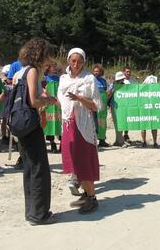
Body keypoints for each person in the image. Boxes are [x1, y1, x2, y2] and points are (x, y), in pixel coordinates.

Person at [18, 38, 57, 225]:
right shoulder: (33, 71)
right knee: (39, 169)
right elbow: (33, 101)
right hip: (30, 124)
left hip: (21, 125)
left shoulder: (22, 71)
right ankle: (39, 214)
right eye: (47, 53)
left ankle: (31, 212)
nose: (49, 57)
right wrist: (48, 101)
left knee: (29, 168)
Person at [58, 47, 102, 214]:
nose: (76, 64)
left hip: (83, 125)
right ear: (68, 60)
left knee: (84, 161)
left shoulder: (89, 79)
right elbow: (62, 103)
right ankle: (85, 194)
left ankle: (92, 198)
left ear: (84, 62)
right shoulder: (63, 79)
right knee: (75, 162)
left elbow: (97, 106)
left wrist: (80, 98)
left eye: (80, 61)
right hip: (69, 124)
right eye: (73, 60)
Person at [43, 61, 61, 153]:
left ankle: (62, 143)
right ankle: (52, 143)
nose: (54, 68)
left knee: (59, 123)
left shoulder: (59, 78)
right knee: (49, 123)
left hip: (58, 103)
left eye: (55, 66)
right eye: (52, 66)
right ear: (48, 68)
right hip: (48, 104)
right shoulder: (44, 79)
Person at [108, 71, 127, 147]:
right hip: (114, 106)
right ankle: (118, 141)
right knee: (116, 124)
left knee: (121, 123)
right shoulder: (112, 85)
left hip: (122, 107)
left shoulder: (125, 86)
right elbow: (108, 96)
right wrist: (112, 91)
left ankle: (120, 141)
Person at [92, 64, 109, 147]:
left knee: (102, 120)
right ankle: (94, 140)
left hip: (103, 100)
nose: (95, 73)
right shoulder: (91, 80)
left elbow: (106, 91)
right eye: (94, 71)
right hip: (95, 99)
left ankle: (102, 140)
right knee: (94, 119)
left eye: (97, 71)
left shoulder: (103, 80)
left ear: (100, 72)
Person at [141, 75, 158, 148]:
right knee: (143, 126)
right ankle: (144, 141)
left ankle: (155, 142)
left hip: (153, 109)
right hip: (144, 109)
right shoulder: (142, 90)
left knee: (154, 126)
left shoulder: (157, 91)